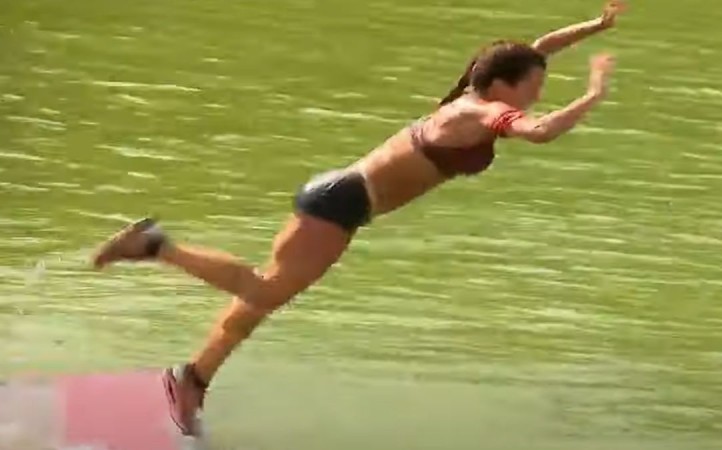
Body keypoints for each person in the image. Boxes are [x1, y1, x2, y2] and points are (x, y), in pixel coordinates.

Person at [92, 0, 626, 436]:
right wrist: (594, 93)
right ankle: (156, 246)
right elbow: (541, 131)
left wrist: (595, 26)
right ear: (504, 85)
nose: (537, 94)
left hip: (342, 200)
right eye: (532, 86)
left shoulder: (476, 91)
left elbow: (539, 48)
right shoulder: (480, 112)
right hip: (341, 202)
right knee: (263, 291)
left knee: (256, 305)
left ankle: (192, 382)